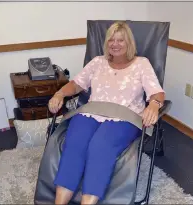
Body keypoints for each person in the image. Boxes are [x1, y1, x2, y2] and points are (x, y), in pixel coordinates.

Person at [48, 21, 165, 205]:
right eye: (111, 39)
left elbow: (157, 92)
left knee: (100, 146)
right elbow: (77, 84)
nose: (115, 44)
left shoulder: (142, 64)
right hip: (92, 112)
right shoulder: (97, 62)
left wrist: (154, 104)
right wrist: (60, 93)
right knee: (75, 143)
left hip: (125, 117)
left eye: (121, 40)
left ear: (129, 43)